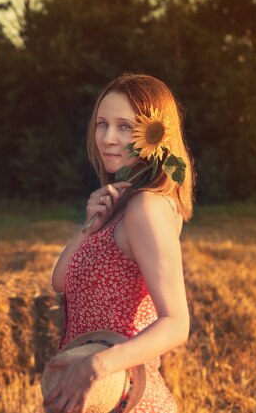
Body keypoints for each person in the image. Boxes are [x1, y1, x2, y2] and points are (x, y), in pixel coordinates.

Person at [42, 72, 196, 413]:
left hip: (125, 399)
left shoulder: (147, 208)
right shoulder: (122, 205)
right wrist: (89, 227)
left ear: (153, 136)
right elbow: (60, 280)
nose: (107, 138)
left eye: (125, 127)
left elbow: (176, 324)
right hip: (93, 398)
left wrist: (97, 365)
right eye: (102, 124)